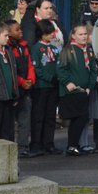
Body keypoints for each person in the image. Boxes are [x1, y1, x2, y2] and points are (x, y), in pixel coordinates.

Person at [57, 24, 98, 155]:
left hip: (84, 90)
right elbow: (60, 69)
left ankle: (73, 145)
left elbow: (93, 69)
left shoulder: (88, 50)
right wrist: (67, 82)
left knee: (82, 118)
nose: (84, 37)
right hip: (72, 90)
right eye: (80, 34)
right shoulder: (68, 50)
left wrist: (90, 86)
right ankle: (72, 145)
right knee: (78, 118)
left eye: (85, 34)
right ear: (73, 36)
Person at [28, 19, 62, 156]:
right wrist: (49, 78)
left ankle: (49, 143)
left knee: (50, 116)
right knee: (38, 116)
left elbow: (59, 64)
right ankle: (36, 143)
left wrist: (57, 78)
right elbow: (37, 68)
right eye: (48, 33)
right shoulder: (36, 48)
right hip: (41, 87)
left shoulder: (54, 48)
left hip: (53, 86)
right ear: (41, 34)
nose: (51, 36)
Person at [5, 20, 36, 156]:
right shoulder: (8, 48)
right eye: (17, 30)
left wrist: (30, 80)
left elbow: (29, 64)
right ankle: (11, 147)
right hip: (14, 88)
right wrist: (22, 81)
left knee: (25, 119)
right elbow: (11, 70)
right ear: (9, 32)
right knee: (11, 122)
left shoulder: (24, 46)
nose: (21, 32)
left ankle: (23, 147)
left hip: (25, 88)